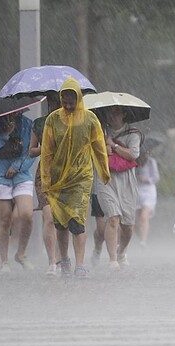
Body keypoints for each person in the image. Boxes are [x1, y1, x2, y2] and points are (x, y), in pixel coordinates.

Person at [41, 77, 110, 278]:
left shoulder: (90, 119)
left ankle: (80, 264)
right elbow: (46, 151)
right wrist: (46, 179)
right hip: (58, 179)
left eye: (72, 102)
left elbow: (99, 147)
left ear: (79, 99)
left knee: (77, 220)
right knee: (60, 223)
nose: (69, 106)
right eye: (65, 102)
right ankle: (65, 260)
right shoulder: (52, 120)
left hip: (81, 178)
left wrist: (104, 171)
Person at [0, 112, 36, 272]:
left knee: (27, 214)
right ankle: (4, 260)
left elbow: (30, 151)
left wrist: (17, 166)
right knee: (4, 219)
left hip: (21, 173)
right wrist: (5, 134)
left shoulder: (27, 124)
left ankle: (21, 253)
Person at [95, 105, 143, 271]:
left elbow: (133, 154)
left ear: (123, 114)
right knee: (113, 217)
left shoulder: (133, 133)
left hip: (126, 180)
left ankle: (121, 251)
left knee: (128, 225)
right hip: (106, 179)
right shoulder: (99, 130)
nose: (112, 115)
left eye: (116, 112)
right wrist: (104, 148)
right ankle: (112, 260)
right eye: (109, 112)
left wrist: (113, 146)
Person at [29, 91, 62, 276]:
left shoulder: (70, 122)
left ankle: (61, 255)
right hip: (45, 175)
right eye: (51, 102)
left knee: (61, 219)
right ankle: (52, 262)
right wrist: (43, 148)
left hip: (65, 175)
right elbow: (31, 151)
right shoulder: (40, 123)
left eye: (58, 101)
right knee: (48, 215)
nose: (55, 105)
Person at [135, 142, 160, 247]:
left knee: (144, 216)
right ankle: (140, 238)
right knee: (135, 220)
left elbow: (156, 178)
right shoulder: (134, 163)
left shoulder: (151, 162)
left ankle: (144, 241)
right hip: (136, 191)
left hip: (148, 191)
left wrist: (147, 180)